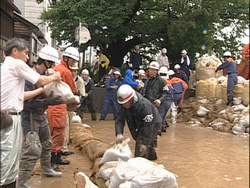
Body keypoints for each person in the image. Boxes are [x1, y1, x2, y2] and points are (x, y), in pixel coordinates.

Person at [0, 38, 61, 188]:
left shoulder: (7, 67)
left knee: (14, 156)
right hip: (18, 115)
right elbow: (40, 82)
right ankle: (19, 183)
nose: (28, 57)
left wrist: (42, 90)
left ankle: (14, 183)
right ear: (15, 51)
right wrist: (54, 78)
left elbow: (20, 95)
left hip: (14, 115)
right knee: (13, 155)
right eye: (26, 53)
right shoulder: (16, 64)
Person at [18, 46, 63, 188]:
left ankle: (46, 168)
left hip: (40, 113)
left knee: (47, 143)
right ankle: (22, 182)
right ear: (46, 62)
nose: (53, 66)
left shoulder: (44, 77)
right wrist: (45, 96)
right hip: (30, 115)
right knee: (32, 149)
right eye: (52, 63)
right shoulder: (31, 76)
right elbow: (25, 100)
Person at [46, 46, 79, 169]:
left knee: (54, 133)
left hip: (52, 105)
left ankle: (57, 157)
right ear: (66, 58)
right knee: (58, 133)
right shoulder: (65, 71)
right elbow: (73, 89)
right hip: (59, 106)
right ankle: (53, 162)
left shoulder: (56, 68)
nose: (74, 64)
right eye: (73, 61)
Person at [115, 84, 162, 160]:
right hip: (139, 123)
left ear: (131, 99)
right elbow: (119, 119)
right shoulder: (123, 103)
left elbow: (148, 126)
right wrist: (119, 133)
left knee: (141, 148)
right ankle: (152, 159)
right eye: (122, 104)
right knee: (149, 146)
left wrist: (144, 143)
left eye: (125, 103)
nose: (123, 106)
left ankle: (140, 166)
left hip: (152, 122)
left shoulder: (144, 105)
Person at [140, 61, 169, 136]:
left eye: (153, 70)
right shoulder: (146, 80)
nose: (151, 71)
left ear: (157, 71)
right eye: (150, 69)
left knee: (155, 125)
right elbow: (143, 92)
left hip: (155, 105)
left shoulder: (161, 81)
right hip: (146, 104)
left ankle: (153, 141)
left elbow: (165, 93)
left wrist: (160, 100)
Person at [158, 66, 174, 132]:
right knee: (164, 114)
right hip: (169, 101)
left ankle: (158, 128)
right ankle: (163, 126)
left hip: (163, 101)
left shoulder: (160, 82)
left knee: (160, 114)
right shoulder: (169, 82)